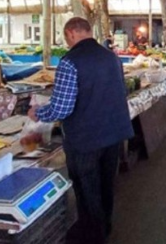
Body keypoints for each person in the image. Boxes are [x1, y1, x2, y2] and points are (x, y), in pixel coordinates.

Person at [28, 18, 133, 244]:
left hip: (85, 138)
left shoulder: (70, 62)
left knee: (87, 189)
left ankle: (92, 235)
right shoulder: (112, 58)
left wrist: (39, 113)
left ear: (70, 33)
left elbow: (62, 108)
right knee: (106, 184)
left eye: (66, 37)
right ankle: (104, 227)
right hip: (113, 133)